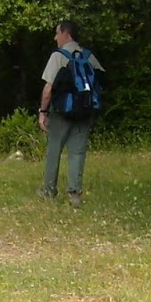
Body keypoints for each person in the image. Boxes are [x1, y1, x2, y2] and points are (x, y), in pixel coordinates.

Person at [36, 20, 103, 208]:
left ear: (66, 33)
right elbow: (100, 83)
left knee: (54, 151)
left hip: (62, 113)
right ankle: (74, 194)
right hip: (85, 112)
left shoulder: (58, 56)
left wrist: (43, 112)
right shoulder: (89, 57)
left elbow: (48, 88)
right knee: (77, 153)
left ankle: (49, 191)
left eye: (57, 33)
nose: (55, 37)